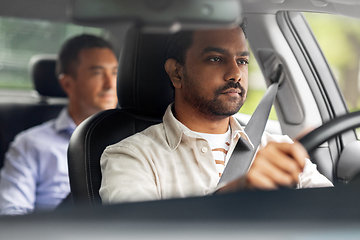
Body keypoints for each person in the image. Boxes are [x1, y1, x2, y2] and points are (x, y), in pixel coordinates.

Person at [99, 21, 333, 204]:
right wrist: (232, 197)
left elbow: (332, 217)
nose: (235, 73)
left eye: (242, 61)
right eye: (215, 59)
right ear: (176, 73)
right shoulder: (131, 157)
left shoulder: (276, 149)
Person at [0, 34, 118, 215]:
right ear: (68, 83)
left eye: (115, 73)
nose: (110, 84)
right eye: (97, 73)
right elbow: (11, 216)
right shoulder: (30, 144)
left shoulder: (137, 139)